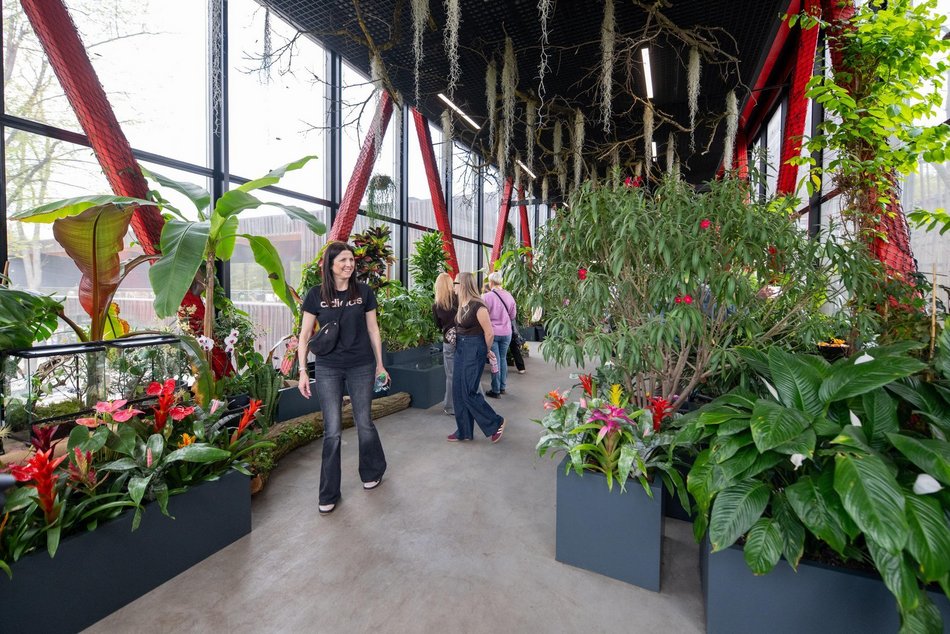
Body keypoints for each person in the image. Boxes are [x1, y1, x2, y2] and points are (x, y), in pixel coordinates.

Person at [297, 241, 388, 515]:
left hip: (361, 364)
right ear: (330, 265)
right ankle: (328, 492)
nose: (349, 265)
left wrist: (380, 365)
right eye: (343, 261)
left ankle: (373, 469)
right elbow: (304, 335)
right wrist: (303, 371)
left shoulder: (364, 292)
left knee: (364, 422)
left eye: (351, 260)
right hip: (327, 368)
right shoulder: (315, 295)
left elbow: (373, 330)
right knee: (332, 431)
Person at [449, 272, 506, 443]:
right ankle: (464, 431)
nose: (454, 286)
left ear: (464, 285)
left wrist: (485, 350)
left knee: (468, 392)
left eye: (456, 283)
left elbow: (489, 332)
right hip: (461, 348)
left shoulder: (478, 305)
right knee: (458, 391)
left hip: (474, 349)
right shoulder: (462, 304)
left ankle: (496, 422)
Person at [481, 271, 518, 397]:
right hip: (507, 332)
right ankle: (502, 387)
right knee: (502, 359)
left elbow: (482, 315)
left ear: (491, 282)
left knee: (494, 361)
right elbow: (513, 315)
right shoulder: (509, 296)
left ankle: (495, 390)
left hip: (493, 333)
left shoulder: (486, 297)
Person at [432, 272, 458, 416]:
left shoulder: (436, 305)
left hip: (448, 341)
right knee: (467, 372)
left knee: (450, 375)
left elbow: (438, 325)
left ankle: (450, 407)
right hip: (464, 339)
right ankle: (474, 402)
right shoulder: (458, 299)